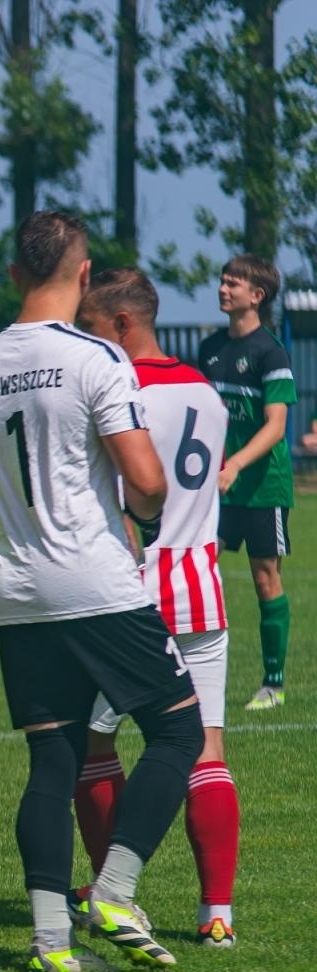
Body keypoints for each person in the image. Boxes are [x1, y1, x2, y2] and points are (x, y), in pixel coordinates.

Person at [0, 210, 204, 972]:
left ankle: (51, 942)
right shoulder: (95, 357)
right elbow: (148, 481)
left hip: (18, 593)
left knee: (52, 762)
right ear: (83, 274)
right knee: (179, 733)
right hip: (95, 580)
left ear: (14, 274)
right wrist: (138, 516)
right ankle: (115, 890)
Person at [73, 268, 239, 949]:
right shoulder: (209, 392)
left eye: (87, 327)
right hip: (201, 581)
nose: (82, 342)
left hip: (132, 590)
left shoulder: (119, 388)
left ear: (120, 324)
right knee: (207, 749)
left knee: (92, 744)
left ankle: (111, 890)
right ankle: (217, 914)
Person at [197, 254, 294, 711]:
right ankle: (193, 674)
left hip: (262, 487)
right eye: (222, 280)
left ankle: (273, 685)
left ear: (256, 296)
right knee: (198, 569)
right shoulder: (211, 349)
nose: (223, 288)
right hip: (217, 485)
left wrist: (234, 464)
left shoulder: (271, 352)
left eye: (233, 283)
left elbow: (276, 427)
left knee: (264, 578)